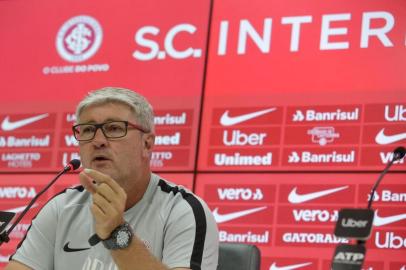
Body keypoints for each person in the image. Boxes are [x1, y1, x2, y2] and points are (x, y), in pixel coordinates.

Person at [6, 87, 219, 270]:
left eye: (114, 128)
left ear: (147, 144)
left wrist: (116, 232)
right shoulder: (61, 207)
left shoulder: (183, 211)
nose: (98, 141)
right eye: (88, 129)